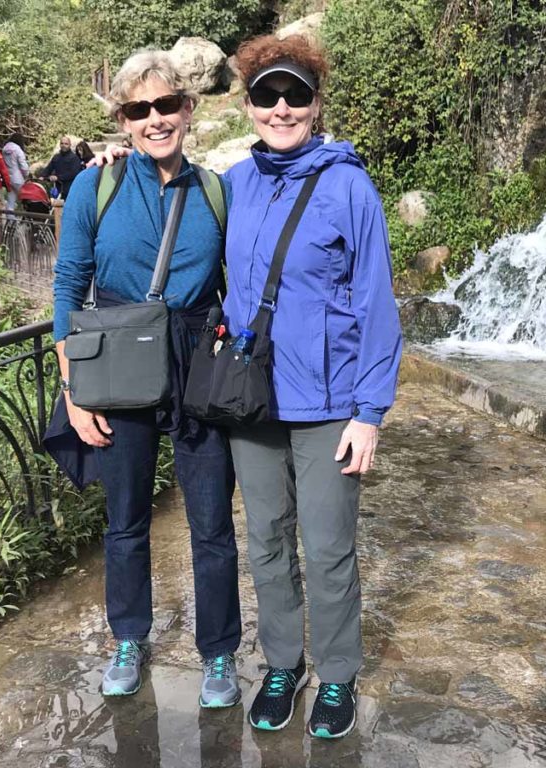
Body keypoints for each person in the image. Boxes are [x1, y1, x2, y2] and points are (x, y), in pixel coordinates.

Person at [49, 49, 241, 706]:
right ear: (124, 122)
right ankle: (129, 638)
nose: (155, 119)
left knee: (212, 521)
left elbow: (244, 284)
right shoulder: (94, 186)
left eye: (166, 105)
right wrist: (74, 394)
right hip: (119, 356)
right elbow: (69, 287)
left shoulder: (217, 191)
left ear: (188, 110)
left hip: (197, 361)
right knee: (125, 519)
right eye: (139, 110)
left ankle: (219, 653)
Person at [224, 35, 402, 739]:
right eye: (267, 95)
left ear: (317, 102)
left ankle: (335, 674)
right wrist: (118, 162)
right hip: (253, 396)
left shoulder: (348, 185)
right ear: (248, 105)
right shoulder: (234, 184)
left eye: (295, 93)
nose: (281, 107)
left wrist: (370, 412)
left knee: (326, 547)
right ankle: (281, 662)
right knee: (265, 540)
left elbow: (377, 303)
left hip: (330, 404)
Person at [41, 135, 85, 200]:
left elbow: (73, 173)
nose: (63, 145)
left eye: (66, 144)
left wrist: (58, 177)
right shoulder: (56, 157)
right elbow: (49, 168)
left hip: (70, 188)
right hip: (57, 188)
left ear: (70, 145)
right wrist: (42, 176)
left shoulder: (74, 158)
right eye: (62, 143)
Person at [2, 132, 30, 211]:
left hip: (8, 178)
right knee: (25, 200)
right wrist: (26, 174)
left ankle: (11, 220)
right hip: (18, 178)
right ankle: (27, 219)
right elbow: (23, 166)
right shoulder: (18, 150)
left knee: (10, 200)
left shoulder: (4, 149)